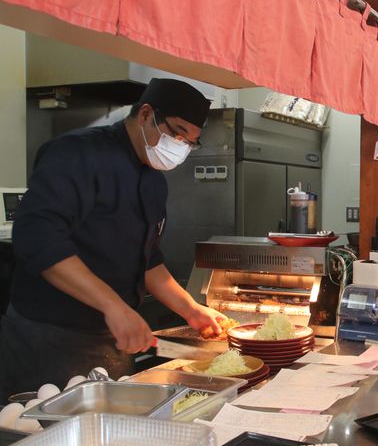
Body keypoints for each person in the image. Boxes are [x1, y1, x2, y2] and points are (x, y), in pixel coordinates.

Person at [1, 78, 225, 398]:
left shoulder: (154, 182)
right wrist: (113, 306)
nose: (181, 146)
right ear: (146, 115)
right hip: (47, 339)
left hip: (112, 344)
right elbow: (38, 238)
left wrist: (191, 310)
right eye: (177, 132)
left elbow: (147, 260)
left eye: (191, 141)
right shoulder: (77, 154)